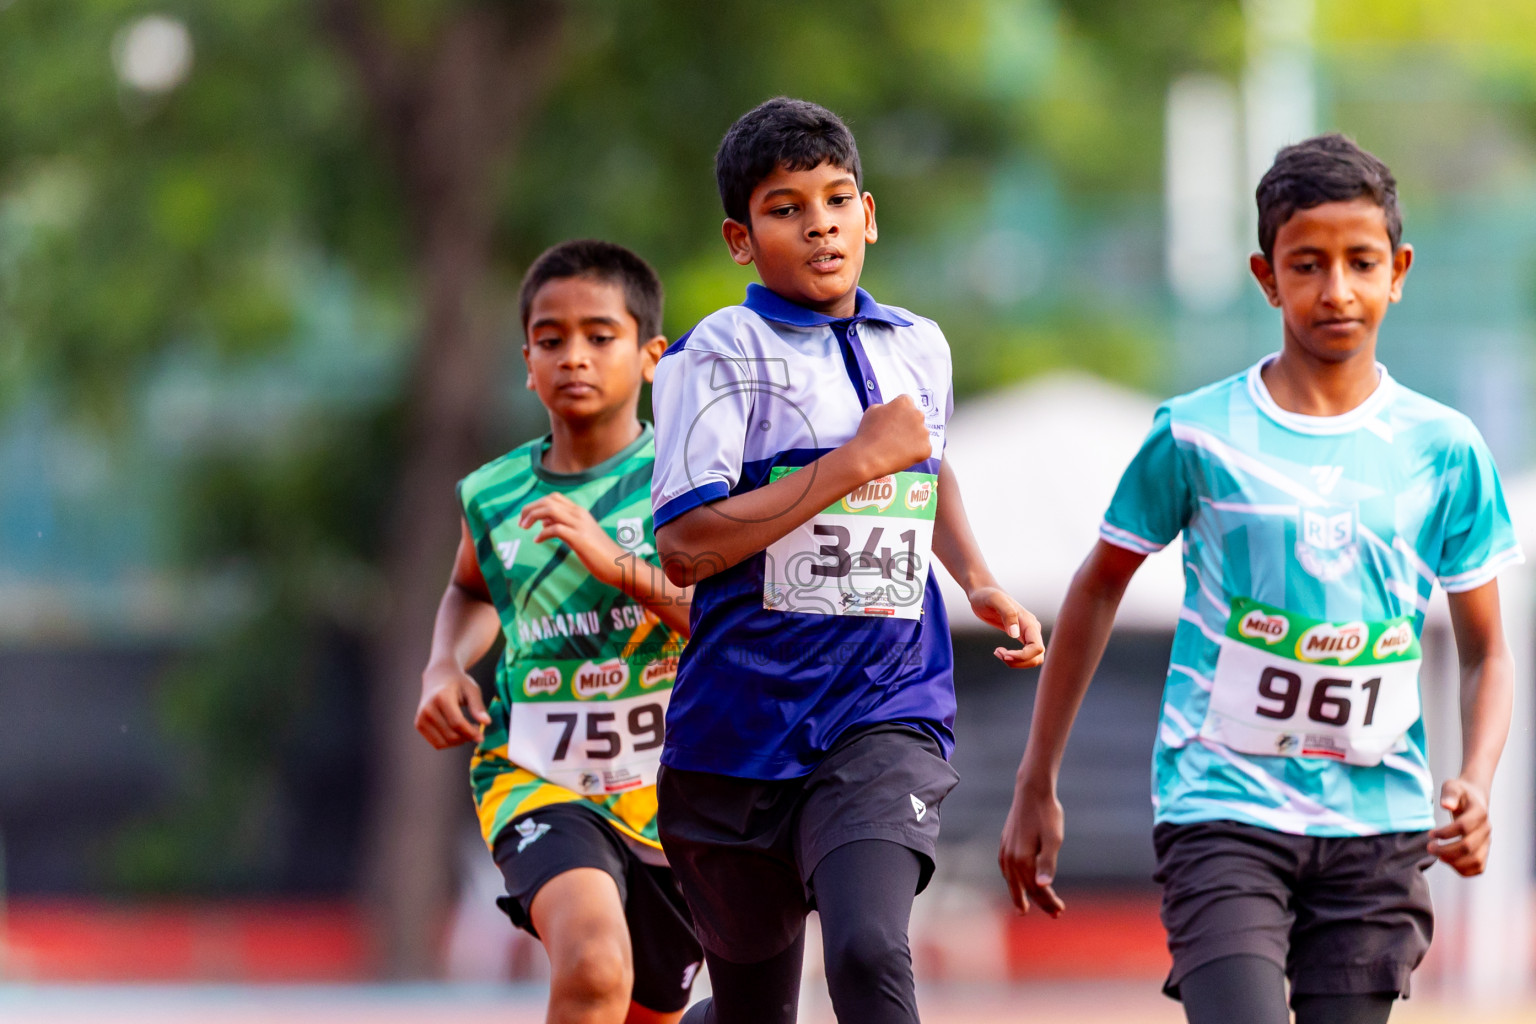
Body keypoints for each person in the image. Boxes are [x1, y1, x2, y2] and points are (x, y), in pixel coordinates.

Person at [999, 134, 1524, 1024]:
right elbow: (1096, 589)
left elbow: (1487, 653)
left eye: (1361, 263)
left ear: (1397, 271)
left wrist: (1475, 774)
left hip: (1377, 828)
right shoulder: (1197, 434)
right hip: (1221, 808)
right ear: (1266, 275)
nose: (1337, 291)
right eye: (1308, 264)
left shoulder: (1445, 448)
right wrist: (1034, 777)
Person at [649, 97, 1045, 1024]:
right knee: (754, 1012)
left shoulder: (921, 345)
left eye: (835, 200)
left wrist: (975, 575)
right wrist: (849, 464)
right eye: (785, 207)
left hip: (882, 712)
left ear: (867, 214)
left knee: (869, 953)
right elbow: (684, 546)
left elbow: (927, 466)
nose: (818, 224)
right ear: (740, 239)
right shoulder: (717, 359)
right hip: (737, 737)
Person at [416, 239, 703, 1024]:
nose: (573, 356)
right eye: (552, 339)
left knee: (644, 1008)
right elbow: (472, 590)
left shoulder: (689, 484)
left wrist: (616, 565)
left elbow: (716, 620)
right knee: (593, 970)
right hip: (537, 775)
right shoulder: (495, 491)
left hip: (673, 795)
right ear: (527, 359)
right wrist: (444, 665)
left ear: (651, 356)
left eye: (599, 336)